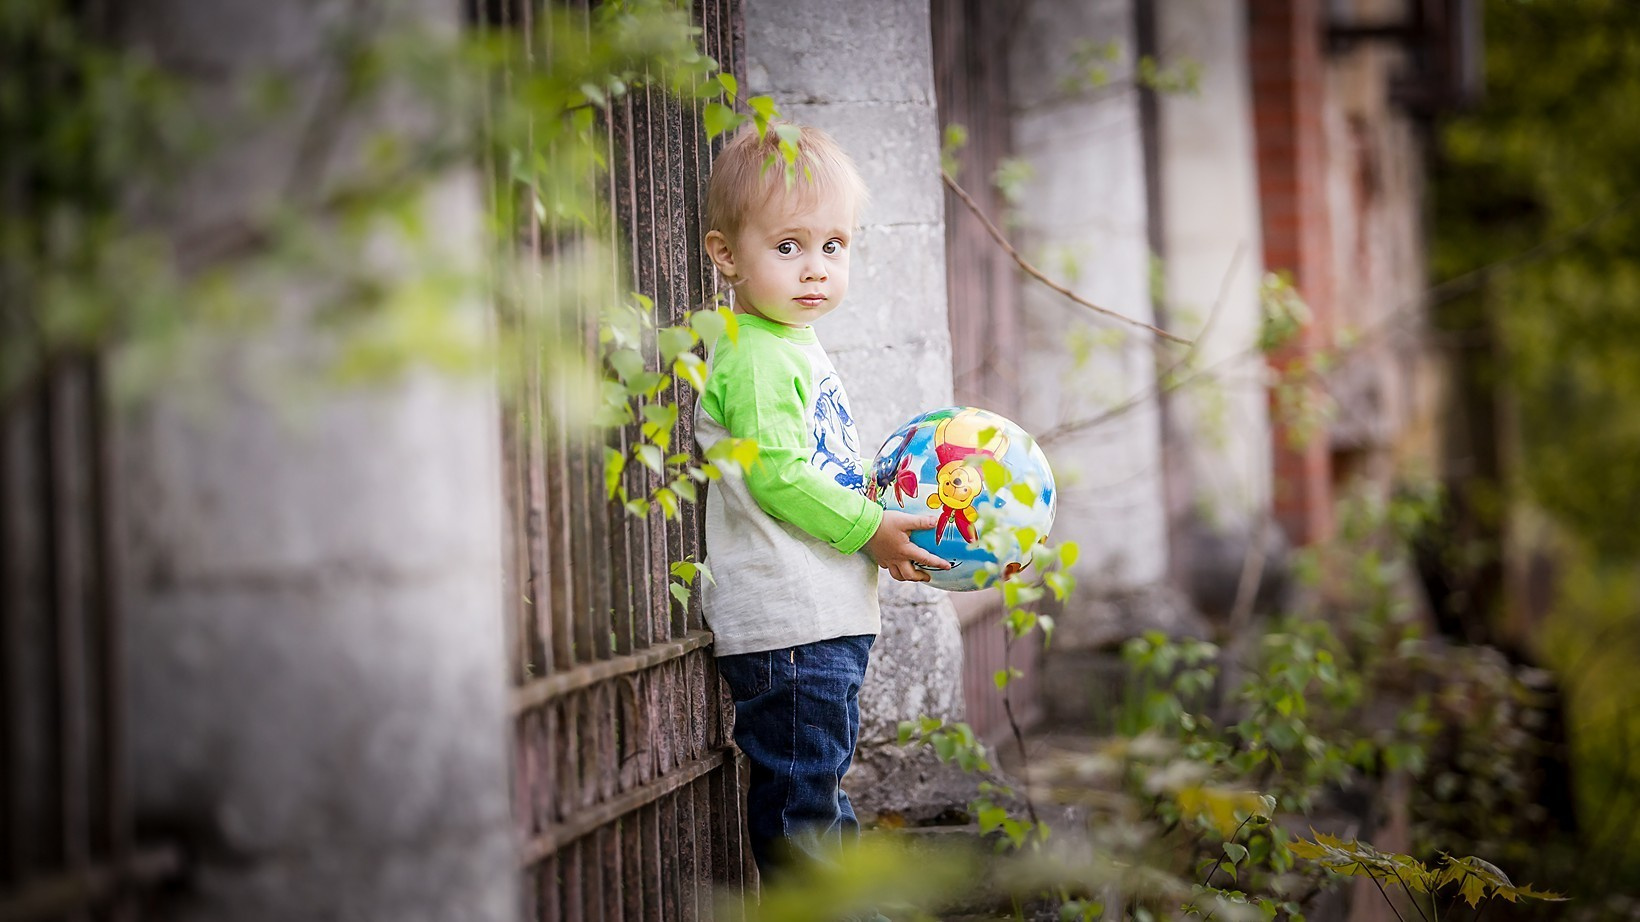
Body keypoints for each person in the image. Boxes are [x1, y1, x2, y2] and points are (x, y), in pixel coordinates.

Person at [695, 123, 950, 882]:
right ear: (726, 255)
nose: (816, 270)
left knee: (819, 800)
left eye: (833, 246)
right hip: (790, 626)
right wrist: (870, 527)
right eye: (788, 247)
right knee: (802, 811)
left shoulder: (791, 342)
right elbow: (776, 475)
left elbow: (815, 467)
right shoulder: (758, 353)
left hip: (817, 618)